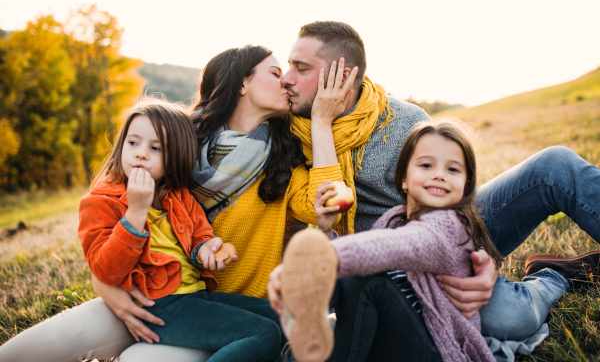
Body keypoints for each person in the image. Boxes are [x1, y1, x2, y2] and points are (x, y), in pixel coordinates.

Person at [0, 45, 355, 362]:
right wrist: (107, 288)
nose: (287, 82)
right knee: (29, 349)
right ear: (243, 83)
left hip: (216, 306)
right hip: (147, 294)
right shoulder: (175, 140)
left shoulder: (280, 166)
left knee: (141, 358)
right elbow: (109, 217)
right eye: (276, 73)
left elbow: (325, 204)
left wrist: (321, 122)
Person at [280, 21, 600, 346]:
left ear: (342, 77)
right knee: (512, 318)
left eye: (300, 67)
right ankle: (556, 277)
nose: (286, 77)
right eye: (288, 64)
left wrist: (481, 258)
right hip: (383, 263)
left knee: (555, 165)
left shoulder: (404, 121)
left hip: (447, 235)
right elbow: (308, 214)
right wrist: (321, 122)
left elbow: (455, 207)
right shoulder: (289, 135)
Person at [273, 119, 502, 362]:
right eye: (426, 165)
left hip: (438, 352)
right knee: (349, 278)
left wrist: (314, 261)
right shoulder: (392, 220)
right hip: (392, 342)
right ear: (403, 178)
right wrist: (326, 234)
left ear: (466, 185)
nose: (439, 175)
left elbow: (390, 247)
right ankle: (308, 335)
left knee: (368, 280)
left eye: (453, 169)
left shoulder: (451, 226)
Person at [78, 98, 287, 362]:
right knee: (264, 333)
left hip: (195, 296)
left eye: (155, 148)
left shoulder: (178, 196)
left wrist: (209, 251)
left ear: (174, 156)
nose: (141, 153)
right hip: (161, 305)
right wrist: (136, 213)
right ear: (121, 146)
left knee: (284, 317)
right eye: (133, 143)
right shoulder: (99, 202)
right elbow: (106, 270)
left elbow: (200, 236)